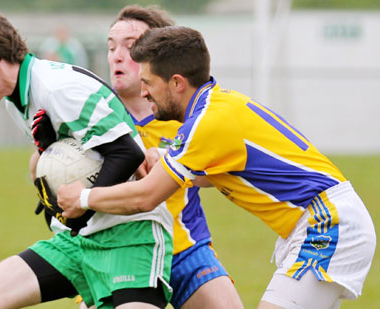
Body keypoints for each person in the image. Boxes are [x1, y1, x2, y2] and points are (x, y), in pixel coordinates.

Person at [58, 26, 377, 308]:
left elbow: (146, 197)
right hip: (321, 221)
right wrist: (165, 160)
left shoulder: (208, 122)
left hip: (327, 224)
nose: (143, 92)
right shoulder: (215, 106)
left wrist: (83, 198)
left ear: (177, 83)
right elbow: (210, 175)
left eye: (149, 83)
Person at [0, 5, 173, 309]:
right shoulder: (16, 100)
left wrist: (80, 208)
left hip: (130, 235)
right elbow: (74, 160)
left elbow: (127, 153)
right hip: (76, 241)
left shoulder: (56, 88)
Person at [106, 5, 243, 309]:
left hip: (185, 249)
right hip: (118, 252)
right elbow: (48, 170)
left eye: (130, 48)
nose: (116, 56)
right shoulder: (92, 115)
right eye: (111, 47)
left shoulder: (188, 115)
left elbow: (222, 171)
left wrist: (169, 156)